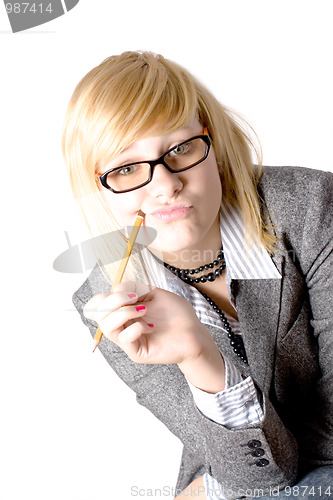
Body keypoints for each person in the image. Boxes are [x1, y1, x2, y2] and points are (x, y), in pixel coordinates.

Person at [62, 51, 333, 499]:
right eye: (126, 169)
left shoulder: (312, 210)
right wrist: (199, 357)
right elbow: (256, 475)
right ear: (98, 189)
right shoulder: (109, 303)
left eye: (180, 149)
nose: (165, 184)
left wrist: (210, 489)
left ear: (213, 142)